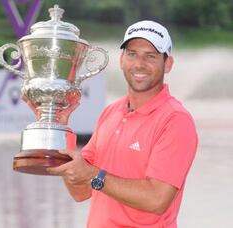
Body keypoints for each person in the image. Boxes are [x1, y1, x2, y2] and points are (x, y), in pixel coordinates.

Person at [47, 20, 198, 228]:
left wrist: (93, 174)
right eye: (132, 54)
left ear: (168, 64)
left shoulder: (175, 120)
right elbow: (80, 192)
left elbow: (157, 200)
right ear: (121, 59)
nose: (139, 64)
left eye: (150, 56)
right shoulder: (111, 112)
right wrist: (60, 131)